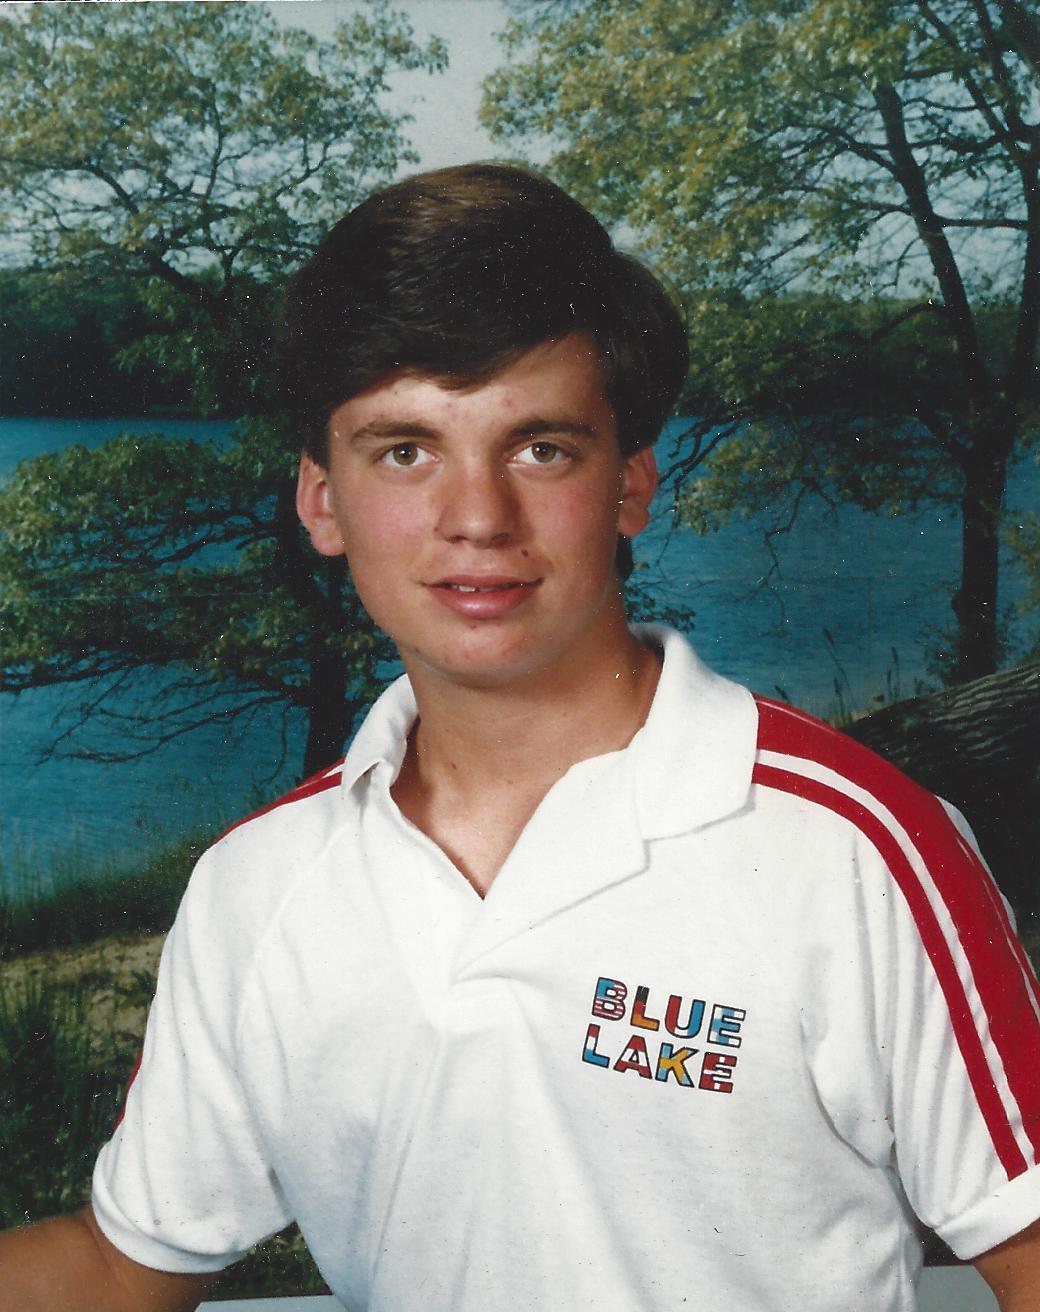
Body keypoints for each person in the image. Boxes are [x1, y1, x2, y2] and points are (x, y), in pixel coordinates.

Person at [1, 163, 1038, 1312]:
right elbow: (120, 1269)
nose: (476, 517)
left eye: (539, 447)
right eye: (404, 450)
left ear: (629, 483)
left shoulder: (853, 844)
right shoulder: (257, 888)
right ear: (320, 502)